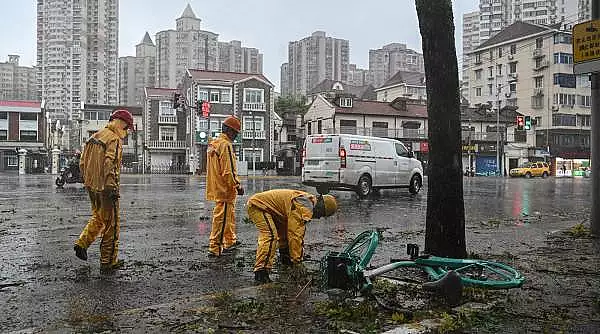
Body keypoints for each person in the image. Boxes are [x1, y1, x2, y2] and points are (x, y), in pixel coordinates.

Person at [73, 109, 133, 273]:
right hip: (107, 189)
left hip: (92, 186)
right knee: (111, 225)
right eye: (127, 128)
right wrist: (112, 187)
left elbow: (82, 162)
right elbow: (110, 164)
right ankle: (108, 261)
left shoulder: (95, 136)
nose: (127, 132)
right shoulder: (114, 139)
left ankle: (82, 243)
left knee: (99, 217)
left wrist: (88, 181)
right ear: (122, 124)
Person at [246, 189, 338, 283]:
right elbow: (295, 235)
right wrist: (297, 261)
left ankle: (285, 258)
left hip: (268, 208)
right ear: (320, 207)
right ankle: (261, 272)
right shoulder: (303, 207)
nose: (318, 217)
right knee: (271, 236)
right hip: (259, 206)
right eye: (321, 214)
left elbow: (290, 233)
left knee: (285, 231)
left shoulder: (307, 201)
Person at [206, 116, 244, 257]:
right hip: (225, 190)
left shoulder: (214, 144)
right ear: (228, 130)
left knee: (228, 217)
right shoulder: (226, 145)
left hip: (217, 187)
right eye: (235, 133)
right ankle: (215, 247)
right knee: (221, 220)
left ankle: (230, 241)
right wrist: (237, 186)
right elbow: (228, 171)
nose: (235, 136)